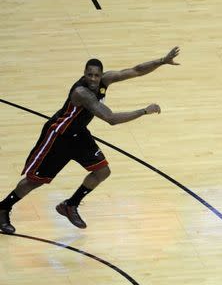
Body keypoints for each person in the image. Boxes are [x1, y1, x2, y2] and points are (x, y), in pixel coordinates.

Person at [0, 47, 180, 234]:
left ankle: (70, 205)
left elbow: (135, 70)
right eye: (89, 75)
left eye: (96, 75)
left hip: (78, 134)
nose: (93, 79)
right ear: (84, 74)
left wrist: (161, 61)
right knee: (34, 181)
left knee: (102, 171)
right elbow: (111, 119)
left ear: (101, 75)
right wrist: (144, 111)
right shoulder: (81, 92)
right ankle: (3, 208)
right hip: (58, 137)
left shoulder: (105, 80)